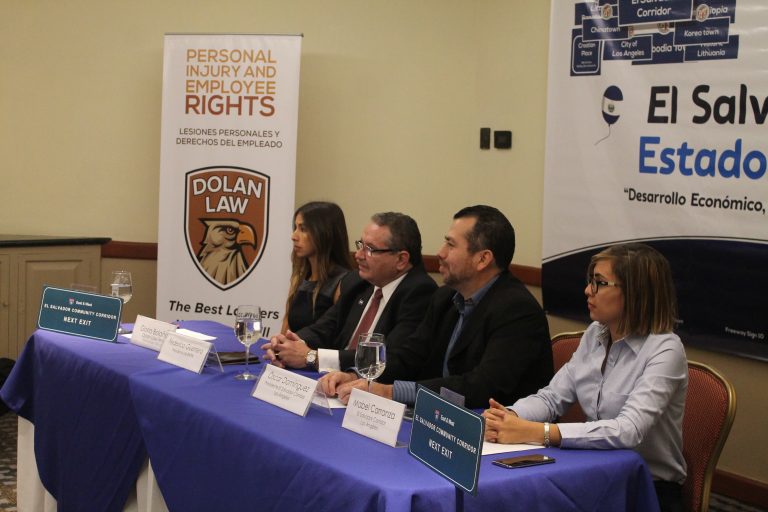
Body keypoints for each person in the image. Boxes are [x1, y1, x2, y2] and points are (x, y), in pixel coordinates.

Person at [483, 243, 687, 512]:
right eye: (591, 281)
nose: (588, 290)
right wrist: (508, 417)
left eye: (600, 283)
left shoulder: (665, 349)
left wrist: (540, 432)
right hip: (597, 470)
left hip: (646, 487)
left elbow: (628, 430)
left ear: (635, 292)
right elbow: (552, 398)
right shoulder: (595, 334)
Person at [320, 205, 553, 409]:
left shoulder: (518, 311)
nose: (440, 253)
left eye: (451, 245)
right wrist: (355, 376)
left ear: (482, 259)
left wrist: (390, 392)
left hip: (494, 432)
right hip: (436, 419)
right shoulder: (445, 297)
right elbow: (409, 356)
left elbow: (481, 387)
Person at [263, 212, 437, 371]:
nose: (358, 255)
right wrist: (288, 344)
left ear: (401, 260)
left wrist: (313, 357)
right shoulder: (358, 281)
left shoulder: (420, 293)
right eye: (361, 245)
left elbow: (390, 357)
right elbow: (325, 328)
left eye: (370, 249)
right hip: (332, 380)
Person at [281, 201, 354, 333]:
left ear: (324, 233)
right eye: (295, 228)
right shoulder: (299, 278)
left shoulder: (342, 283)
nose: (293, 236)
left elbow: (340, 338)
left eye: (303, 229)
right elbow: (286, 331)